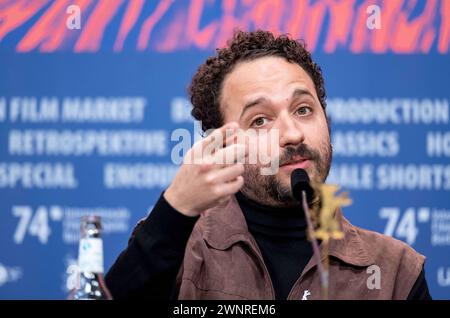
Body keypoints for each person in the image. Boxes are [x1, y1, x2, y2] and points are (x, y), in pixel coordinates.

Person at [105, 29, 431, 300]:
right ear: (223, 144)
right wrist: (174, 209)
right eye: (260, 120)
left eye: (304, 110)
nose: (291, 134)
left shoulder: (395, 272)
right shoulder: (181, 256)